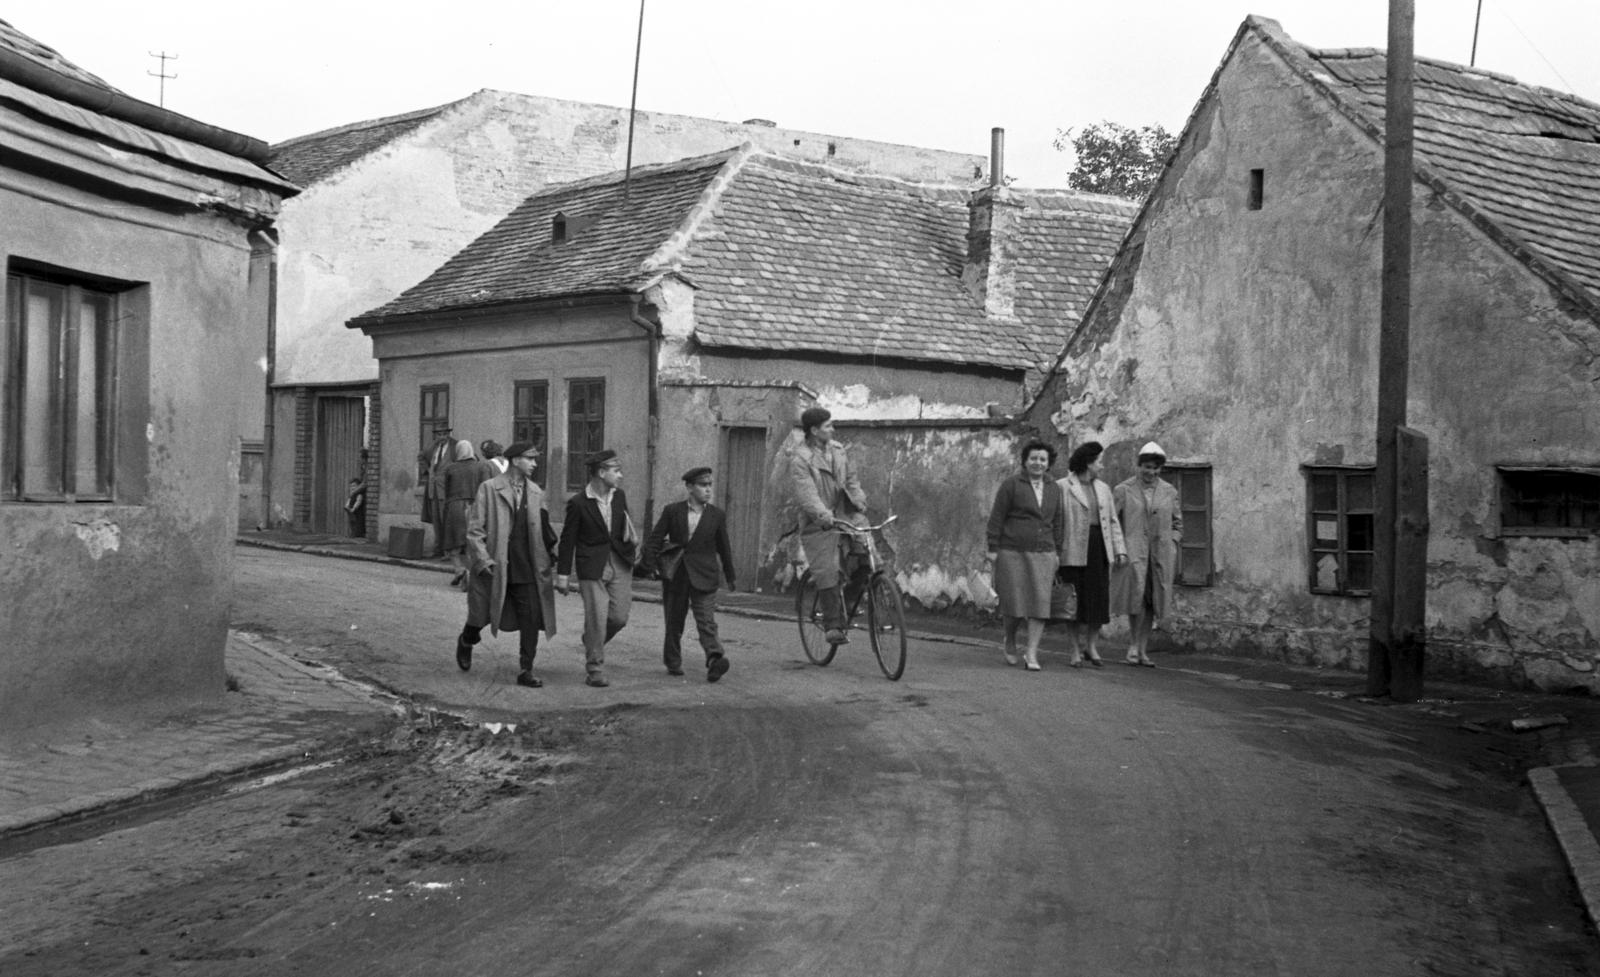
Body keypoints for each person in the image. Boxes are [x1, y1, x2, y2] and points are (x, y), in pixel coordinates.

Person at [457, 441, 558, 688]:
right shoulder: (489, 489)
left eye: (535, 459)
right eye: (530, 459)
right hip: (495, 565)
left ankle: (526, 670)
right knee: (480, 616)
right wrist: (482, 560)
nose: (534, 464)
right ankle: (467, 640)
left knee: (531, 618)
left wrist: (553, 555)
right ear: (515, 460)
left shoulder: (535, 492)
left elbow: (544, 529)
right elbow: (475, 530)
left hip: (527, 566)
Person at [641, 467, 737, 682]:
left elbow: (724, 546)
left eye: (710, 485)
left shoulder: (716, 515)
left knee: (706, 620)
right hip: (677, 575)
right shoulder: (672, 511)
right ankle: (672, 660)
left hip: (705, 575)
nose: (708, 490)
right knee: (674, 621)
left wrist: (730, 576)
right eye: (703, 485)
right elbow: (655, 539)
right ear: (690, 488)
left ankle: (715, 658)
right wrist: (649, 565)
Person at [557, 449, 638, 688]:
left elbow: (623, 527)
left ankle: (592, 640)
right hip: (591, 567)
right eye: (616, 471)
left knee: (619, 617)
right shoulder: (579, 503)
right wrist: (563, 575)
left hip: (619, 563)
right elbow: (567, 540)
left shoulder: (619, 496)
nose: (620, 475)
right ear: (601, 473)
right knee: (597, 619)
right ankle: (595, 668)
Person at [788, 406, 868, 645]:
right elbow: (807, 495)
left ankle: (850, 602)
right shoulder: (800, 459)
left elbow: (852, 479)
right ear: (814, 430)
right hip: (818, 523)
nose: (833, 429)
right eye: (828, 426)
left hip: (845, 515)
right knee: (828, 569)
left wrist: (860, 501)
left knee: (866, 558)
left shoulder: (839, 451)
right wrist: (824, 516)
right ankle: (833, 624)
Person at [985, 440, 1065, 671]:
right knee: (1014, 604)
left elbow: (1058, 521)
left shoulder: (1053, 487)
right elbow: (997, 517)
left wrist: (1057, 551)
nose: (1038, 463)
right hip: (1012, 552)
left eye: (1042, 459)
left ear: (1048, 463)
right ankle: (1009, 640)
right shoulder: (1011, 485)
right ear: (1025, 461)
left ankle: (1031, 652)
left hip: (1044, 552)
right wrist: (992, 548)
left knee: (1040, 604)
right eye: (1033, 458)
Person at [1111, 441, 1182, 667]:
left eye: (1155, 468)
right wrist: (1119, 548)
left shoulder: (1169, 491)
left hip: (1160, 554)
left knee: (1153, 601)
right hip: (1134, 552)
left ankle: (1143, 649)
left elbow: (1178, 524)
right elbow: (1113, 522)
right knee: (1136, 598)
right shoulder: (1123, 489)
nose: (1151, 472)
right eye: (1147, 467)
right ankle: (1132, 645)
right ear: (1138, 466)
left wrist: (1171, 542)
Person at [1057, 441, 1127, 667]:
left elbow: (1113, 521)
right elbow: (1056, 521)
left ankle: (1091, 646)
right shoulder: (1063, 487)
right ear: (1088, 462)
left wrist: (1120, 549)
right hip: (1073, 547)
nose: (1102, 466)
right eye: (1099, 461)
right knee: (1074, 600)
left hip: (1098, 546)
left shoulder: (1104, 489)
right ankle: (1075, 649)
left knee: (1098, 598)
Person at [441, 439, 495, 588]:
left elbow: (447, 490)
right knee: (473, 541)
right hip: (475, 506)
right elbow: (486, 488)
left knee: (453, 543)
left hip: (454, 506)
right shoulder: (481, 466)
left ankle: (459, 570)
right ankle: (471, 574)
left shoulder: (450, 468)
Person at [421, 425, 454, 558]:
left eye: (444, 434)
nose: (441, 437)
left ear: (448, 434)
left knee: (446, 521)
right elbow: (421, 457)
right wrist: (427, 471)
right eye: (439, 434)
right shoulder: (433, 447)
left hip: (447, 490)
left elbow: (465, 462)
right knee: (436, 520)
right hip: (433, 490)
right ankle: (438, 549)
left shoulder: (455, 447)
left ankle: (448, 551)